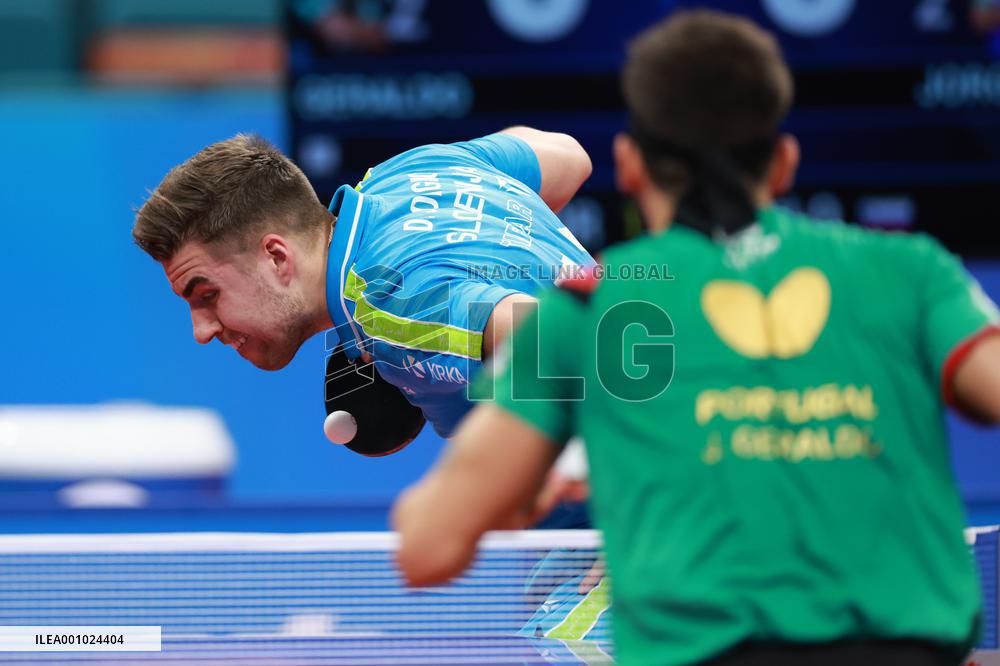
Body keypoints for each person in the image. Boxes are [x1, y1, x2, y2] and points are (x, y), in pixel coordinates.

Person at [392, 9, 1000, 666]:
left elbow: (429, 545)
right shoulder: (910, 271)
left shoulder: (585, 313)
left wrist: (519, 490)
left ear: (628, 167)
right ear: (785, 161)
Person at [132, 127, 594, 454]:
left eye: (206, 294)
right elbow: (568, 155)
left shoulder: (392, 305)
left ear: (276, 257)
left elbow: (593, 345)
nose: (200, 330)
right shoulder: (409, 173)